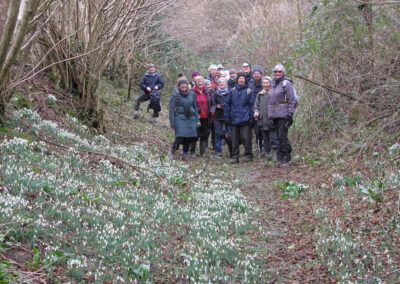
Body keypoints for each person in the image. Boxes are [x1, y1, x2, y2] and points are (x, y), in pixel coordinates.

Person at [268, 63, 296, 167]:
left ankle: (287, 158)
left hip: (284, 114)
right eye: (275, 71)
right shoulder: (272, 84)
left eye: (279, 71)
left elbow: (292, 100)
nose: (277, 73)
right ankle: (279, 158)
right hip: (274, 115)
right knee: (275, 138)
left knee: (282, 136)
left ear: (283, 73)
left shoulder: (286, 83)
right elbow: (270, 101)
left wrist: (290, 114)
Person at [225, 73, 255, 163]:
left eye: (243, 78)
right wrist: (227, 116)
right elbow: (227, 104)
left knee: (246, 138)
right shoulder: (232, 91)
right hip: (234, 119)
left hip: (245, 119)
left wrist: (251, 117)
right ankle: (235, 156)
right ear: (237, 80)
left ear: (245, 80)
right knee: (234, 139)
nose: (241, 80)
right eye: (240, 78)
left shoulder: (249, 91)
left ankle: (248, 155)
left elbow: (252, 105)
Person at [169, 77, 199, 161]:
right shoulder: (175, 95)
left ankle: (185, 153)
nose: (183, 85)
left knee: (189, 136)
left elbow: (195, 107)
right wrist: (172, 122)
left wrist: (197, 120)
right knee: (180, 135)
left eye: (185, 84)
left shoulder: (192, 94)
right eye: (182, 84)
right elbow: (171, 110)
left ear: (187, 85)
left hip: (191, 117)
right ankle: (172, 151)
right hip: (179, 117)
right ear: (179, 86)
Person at [254, 76, 276, 160]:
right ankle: (268, 153)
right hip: (262, 120)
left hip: (273, 120)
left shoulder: (274, 93)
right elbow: (256, 106)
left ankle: (276, 153)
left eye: (267, 82)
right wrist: (256, 112)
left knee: (274, 137)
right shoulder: (260, 94)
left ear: (270, 83)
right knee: (265, 138)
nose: (265, 84)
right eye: (264, 83)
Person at [189, 76, 211, 157]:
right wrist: (199, 111)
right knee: (195, 134)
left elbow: (211, 102)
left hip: (206, 117)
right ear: (195, 83)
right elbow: (190, 104)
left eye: (201, 81)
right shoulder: (192, 92)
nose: (200, 83)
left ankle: (203, 152)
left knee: (205, 134)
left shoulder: (207, 91)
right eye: (198, 82)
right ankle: (192, 151)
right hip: (196, 117)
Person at [211, 77, 231, 156]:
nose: (222, 84)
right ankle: (218, 150)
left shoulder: (230, 92)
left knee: (229, 133)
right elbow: (212, 104)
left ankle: (231, 150)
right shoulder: (215, 93)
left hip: (227, 116)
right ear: (218, 84)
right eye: (220, 83)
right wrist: (216, 106)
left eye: (223, 82)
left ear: (226, 84)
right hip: (218, 116)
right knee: (218, 133)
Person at [249, 65, 264, 154]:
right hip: (253, 110)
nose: (256, 75)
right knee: (257, 130)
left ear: (261, 74)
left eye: (258, 73)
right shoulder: (250, 84)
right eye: (255, 73)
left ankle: (266, 147)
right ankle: (259, 147)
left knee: (264, 130)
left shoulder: (265, 83)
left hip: (263, 109)